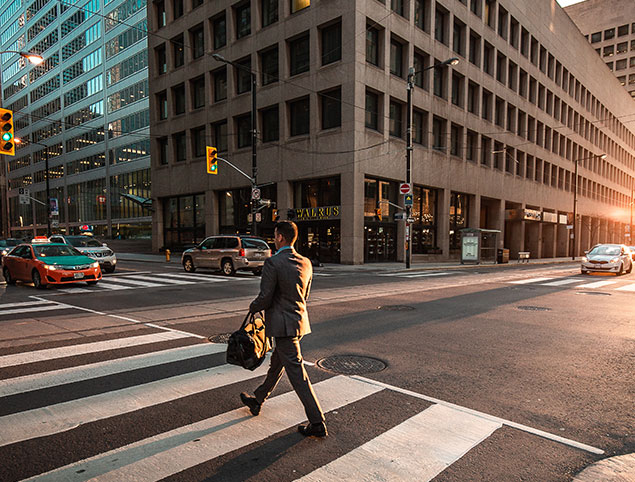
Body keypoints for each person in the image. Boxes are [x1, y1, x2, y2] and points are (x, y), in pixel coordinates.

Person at [240, 221, 327, 437]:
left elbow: (265, 297)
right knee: (277, 365)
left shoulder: (274, 262)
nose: (274, 238)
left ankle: (317, 422)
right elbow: (304, 296)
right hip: (298, 322)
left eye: (275, 235)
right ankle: (258, 400)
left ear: (280, 237)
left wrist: (254, 307)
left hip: (282, 325)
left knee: (298, 374)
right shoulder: (306, 262)